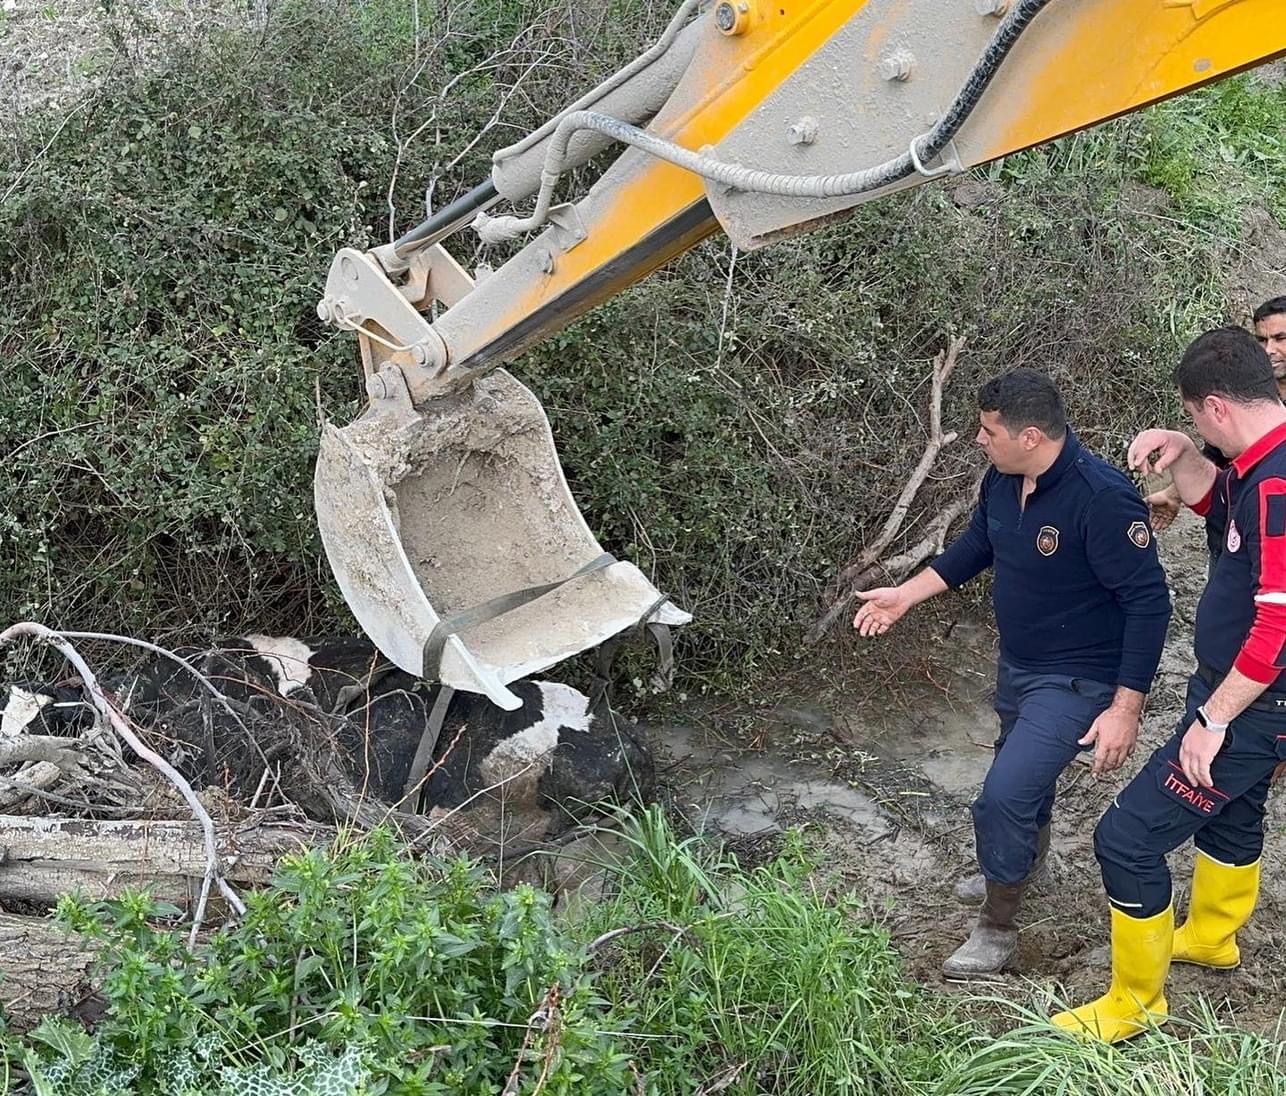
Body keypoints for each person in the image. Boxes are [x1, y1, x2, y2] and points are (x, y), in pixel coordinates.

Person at [854, 369, 1172, 979]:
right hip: (1020, 665)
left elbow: (1148, 602)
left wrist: (1126, 708)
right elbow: (977, 548)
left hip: (1079, 677)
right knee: (1021, 777)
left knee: (1003, 793)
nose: (978, 440)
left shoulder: (1101, 497)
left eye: (987, 430)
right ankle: (1023, 863)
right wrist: (905, 596)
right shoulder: (1003, 481)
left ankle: (997, 929)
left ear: (1030, 436)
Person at [1053, 327, 1286, 1043]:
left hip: (1252, 703)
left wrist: (1214, 720)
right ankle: (1214, 937)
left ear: (1217, 405)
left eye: (1193, 420)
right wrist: (1186, 455)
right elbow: (1219, 506)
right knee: (1233, 814)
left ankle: (1135, 1002)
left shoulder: (1278, 484)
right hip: (1235, 689)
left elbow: (1278, 628)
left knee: (1126, 838)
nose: (1192, 431)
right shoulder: (1259, 457)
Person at [1148, 296, 1286, 542]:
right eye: (1262, 340)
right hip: (1228, 532)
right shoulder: (1243, 392)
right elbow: (1217, 461)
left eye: (1280, 338)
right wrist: (1174, 492)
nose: (1269, 350)